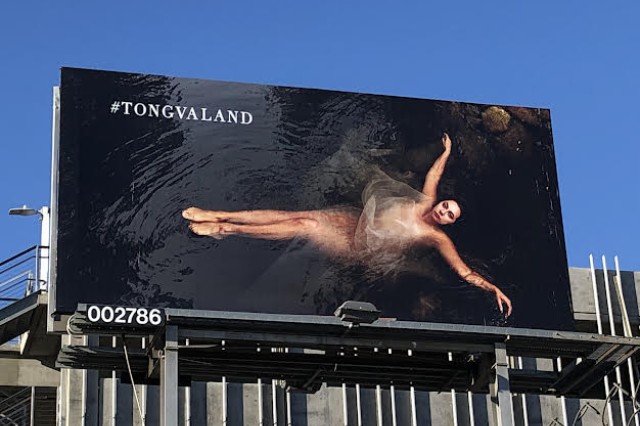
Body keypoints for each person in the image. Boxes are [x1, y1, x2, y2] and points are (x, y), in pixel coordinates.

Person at [183, 133, 513, 317]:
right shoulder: (425, 201)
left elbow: (463, 271)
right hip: (353, 220)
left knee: (304, 226)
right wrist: (446, 152)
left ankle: (226, 229)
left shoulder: (436, 238)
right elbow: (434, 176)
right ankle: (219, 213)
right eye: (446, 206)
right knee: (298, 215)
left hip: (359, 247)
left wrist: (492, 288)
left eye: (450, 215)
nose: (443, 212)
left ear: (450, 224)